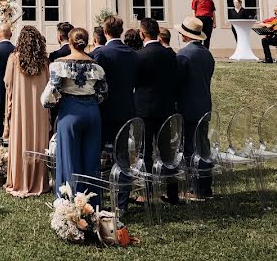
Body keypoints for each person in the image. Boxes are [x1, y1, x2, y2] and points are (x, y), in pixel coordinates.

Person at [42, 27, 106, 197]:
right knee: (91, 159)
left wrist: (49, 103)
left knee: (69, 158)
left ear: (70, 42)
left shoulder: (60, 64)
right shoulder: (96, 66)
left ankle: (69, 203)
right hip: (92, 112)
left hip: (70, 111)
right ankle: (91, 203)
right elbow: (103, 94)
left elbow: (50, 93)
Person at [134, 18, 179, 203]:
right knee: (167, 151)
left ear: (142, 34)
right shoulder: (170, 54)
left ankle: (146, 191)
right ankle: (173, 191)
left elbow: (135, 81)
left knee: (145, 151)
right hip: (165, 107)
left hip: (145, 109)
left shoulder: (139, 56)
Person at [3, 25, 51, 197]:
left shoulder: (14, 59)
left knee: (20, 139)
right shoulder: (44, 62)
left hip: (20, 109)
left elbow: (7, 82)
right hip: (39, 109)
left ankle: (20, 180)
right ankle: (38, 181)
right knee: (38, 141)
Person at [174, 15, 215, 198]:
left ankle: (196, 188)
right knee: (203, 146)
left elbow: (178, 82)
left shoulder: (183, 55)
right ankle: (205, 186)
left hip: (187, 106)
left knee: (191, 148)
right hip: (204, 104)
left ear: (185, 35)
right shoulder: (207, 54)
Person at [90, 16, 139, 148]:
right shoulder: (133, 53)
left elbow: (96, 81)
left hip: (105, 109)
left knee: (101, 149)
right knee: (122, 149)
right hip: (127, 107)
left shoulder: (102, 53)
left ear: (105, 31)